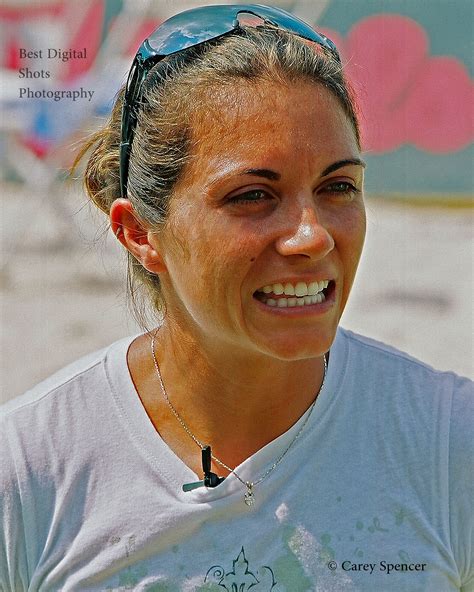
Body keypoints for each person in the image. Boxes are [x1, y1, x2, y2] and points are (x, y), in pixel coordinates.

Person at [1, 4, 472, 591]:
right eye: (252, 196)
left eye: (338, 187)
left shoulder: (446, 445)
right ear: (141, 233)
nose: (313, 235)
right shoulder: (29, 471)